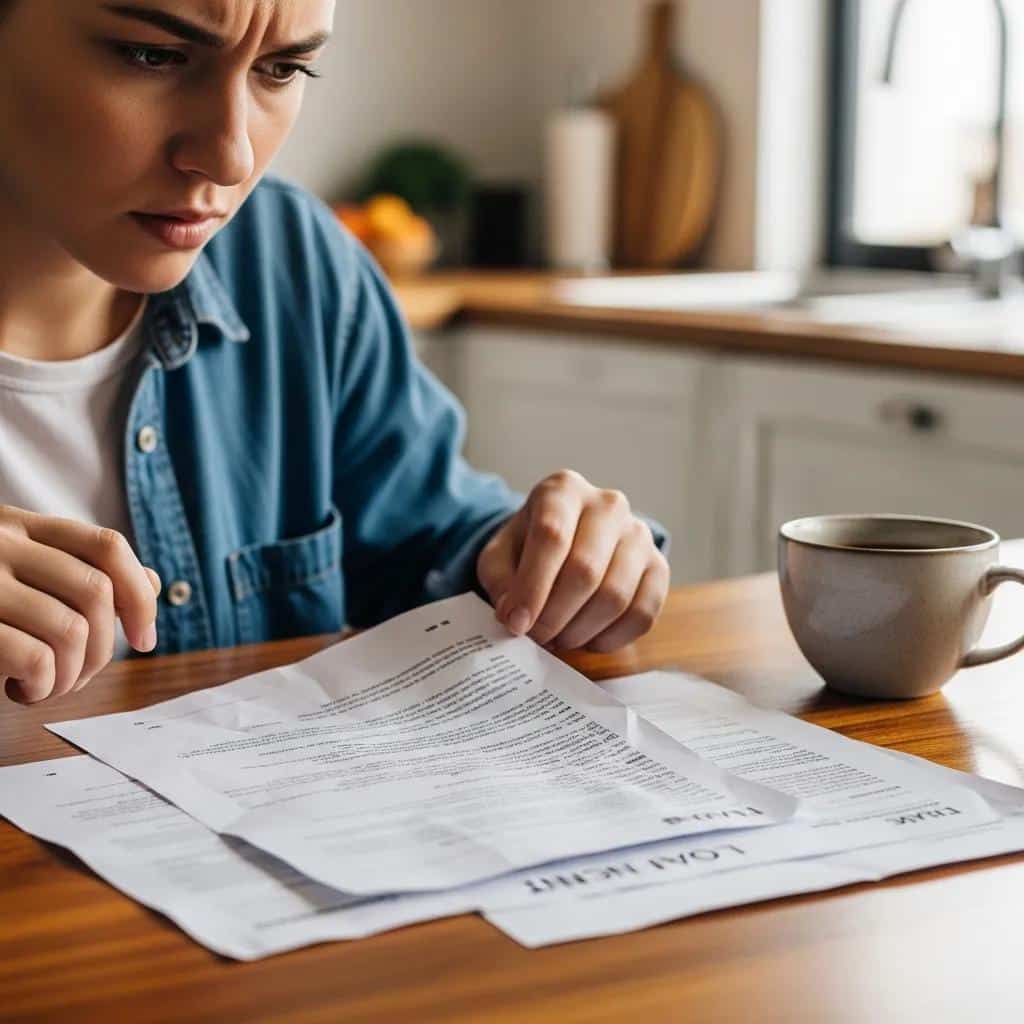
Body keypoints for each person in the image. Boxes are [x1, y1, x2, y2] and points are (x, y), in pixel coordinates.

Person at [0, 0, 670, 707]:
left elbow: (424, 534)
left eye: (282, 68)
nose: (231, 156)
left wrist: (556, 556)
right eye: (152, 56)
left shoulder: (289, 261)